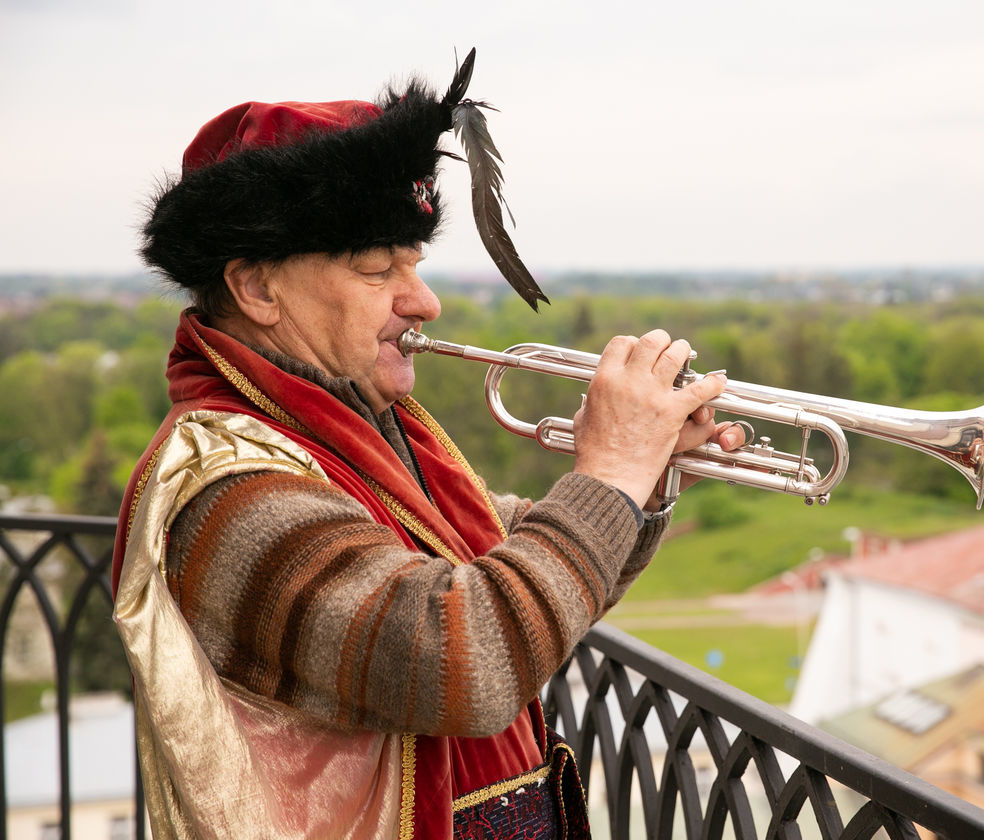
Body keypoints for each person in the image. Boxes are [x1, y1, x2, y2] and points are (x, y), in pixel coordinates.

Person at [110, 52, 741, 839]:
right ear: (257, 288)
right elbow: (464, 657)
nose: (425, 302)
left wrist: (644, 480)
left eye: (414, 264)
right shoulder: (228, 488)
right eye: (379, 269)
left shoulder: (354, 432)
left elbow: (512, 571)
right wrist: (609, 473)